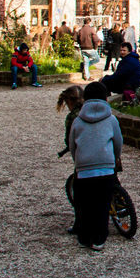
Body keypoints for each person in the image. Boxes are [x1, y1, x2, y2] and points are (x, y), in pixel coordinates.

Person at [68, 82, 123, 251]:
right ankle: (99, 239)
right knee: (102, 205)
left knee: (84, 204)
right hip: (106, 168)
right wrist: (114, 159)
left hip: (84, 169)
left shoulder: (78, 120)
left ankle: (84, 237)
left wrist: (78, 161)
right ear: (106, 98)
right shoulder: (111, 119)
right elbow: (118, 142)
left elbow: (72, 145)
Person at [56, 85, 84, 235]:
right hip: (107, 155)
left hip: (86, 159)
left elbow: (70, 140)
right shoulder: (95, 111)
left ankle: (79, 223)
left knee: (79, 190)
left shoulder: (73, 117)